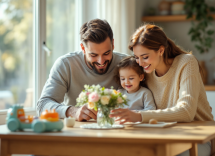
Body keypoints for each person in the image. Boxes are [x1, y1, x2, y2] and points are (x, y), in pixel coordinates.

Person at [109, 24, 213, 156]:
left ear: (161, 50)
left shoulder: (186, 62)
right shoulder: (146, 72)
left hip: (198, 137)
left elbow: (186, 112)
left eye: (145, 57)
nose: (140, 63)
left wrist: (139, 116)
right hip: (166, 135)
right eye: (136, 57)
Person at [37, 19, 127, 122]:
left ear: (113, 44)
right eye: (93, 55)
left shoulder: (126, 64)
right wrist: (72, 111)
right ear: (83, 49)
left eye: (106, 53)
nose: (101, 61)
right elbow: (42, 105)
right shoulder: (66, 65)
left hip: (117, 130)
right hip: (76, 133)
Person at [113, 56, 156, 120]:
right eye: (123, 79)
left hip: (138, 124)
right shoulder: (119, 93)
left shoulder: (145, 93)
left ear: (141, 77)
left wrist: (135, 113)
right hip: (122, 124)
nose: (126, 82)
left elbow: (151, 110)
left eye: (131, 78)